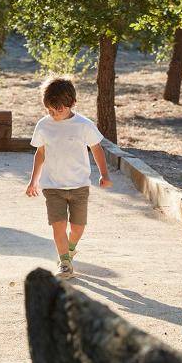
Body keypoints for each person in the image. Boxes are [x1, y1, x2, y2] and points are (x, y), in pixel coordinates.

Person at [26, 76, 113, 279]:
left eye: (59, 110)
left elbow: (96, 148)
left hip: (79, 186)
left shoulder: (83, 125)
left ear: (72, 103)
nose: (55, 114)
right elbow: (40, 153)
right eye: (50, 110)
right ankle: (65, 262)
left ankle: (70, 249)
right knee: (58, 226)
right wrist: (34, 181)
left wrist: (104, 174)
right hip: (53, 187)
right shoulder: (44, 125)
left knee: (77, 228)